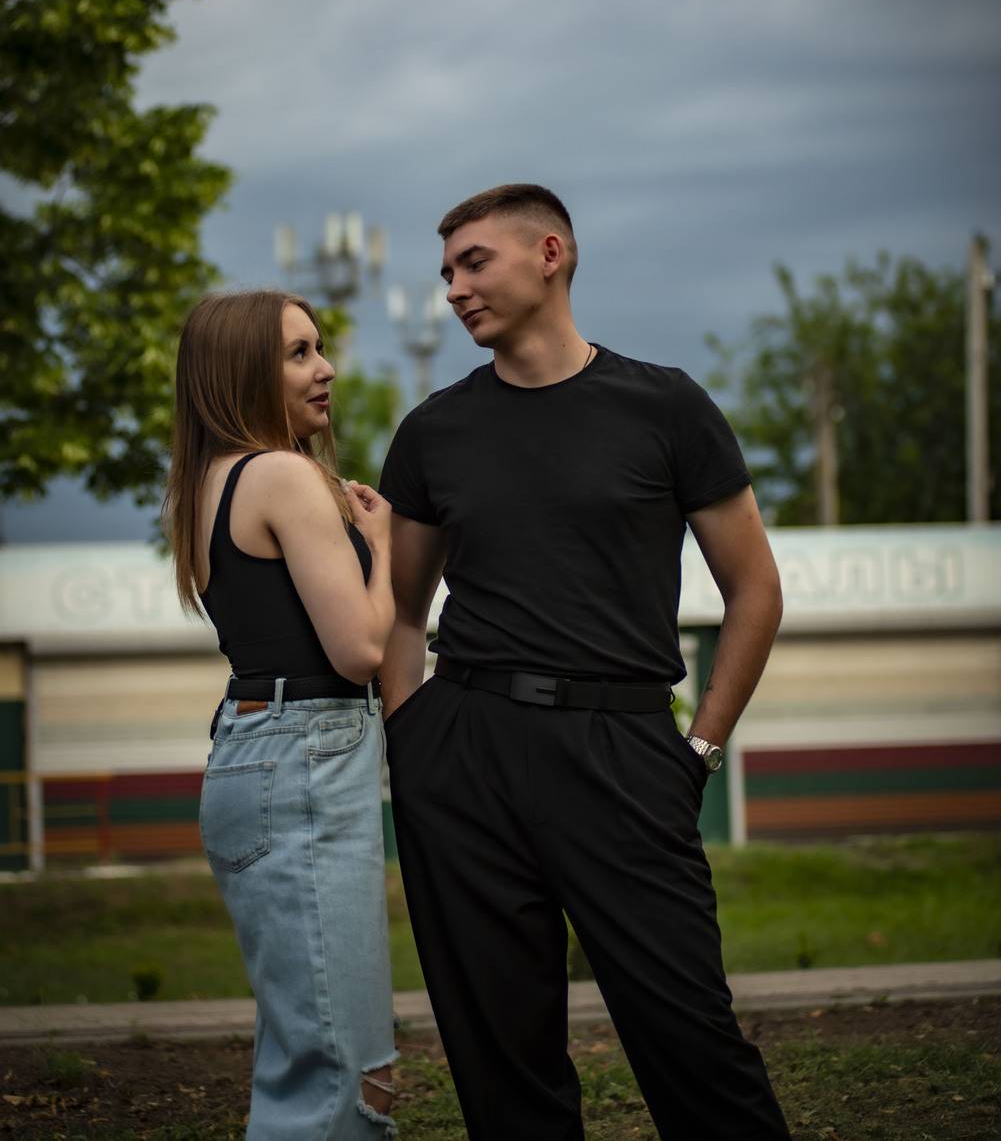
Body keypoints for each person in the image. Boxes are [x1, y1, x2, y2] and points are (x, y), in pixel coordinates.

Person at [378, 184, 791, 1141]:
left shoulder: (664, 406)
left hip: (624, 749)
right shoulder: (433, 430)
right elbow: (399, 607)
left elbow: (755, 590)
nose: (453, 289)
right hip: (465, 753)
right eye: (445, 272)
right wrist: (412, 738)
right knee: (502, 1063)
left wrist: (700, 749)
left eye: (474, 262)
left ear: (550, 254)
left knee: (691, 1040)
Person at [163, 289, 398, 1139]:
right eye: (298, 354)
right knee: (347, 1071)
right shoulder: (281, 475)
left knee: (302, 1052)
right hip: (305, 756)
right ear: (241, 373)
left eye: (319, 347)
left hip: (254, 751)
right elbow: (360, 650)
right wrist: (386, 552)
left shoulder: (206, 485)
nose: (325, 368)